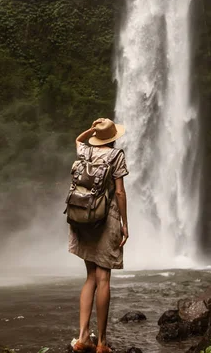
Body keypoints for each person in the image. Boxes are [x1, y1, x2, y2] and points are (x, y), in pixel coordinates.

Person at [69, 118, 129, 353]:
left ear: (96, 136)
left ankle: (83, 337)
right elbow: (121, 192)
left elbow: (77, 139)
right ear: (113, 137)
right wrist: (124, 223)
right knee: (103, 278)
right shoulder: (116, 156)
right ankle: (102, 343)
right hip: (106, 218)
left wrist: (91, 130)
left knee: (90, 277)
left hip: (82, 216)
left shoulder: (84, 149)